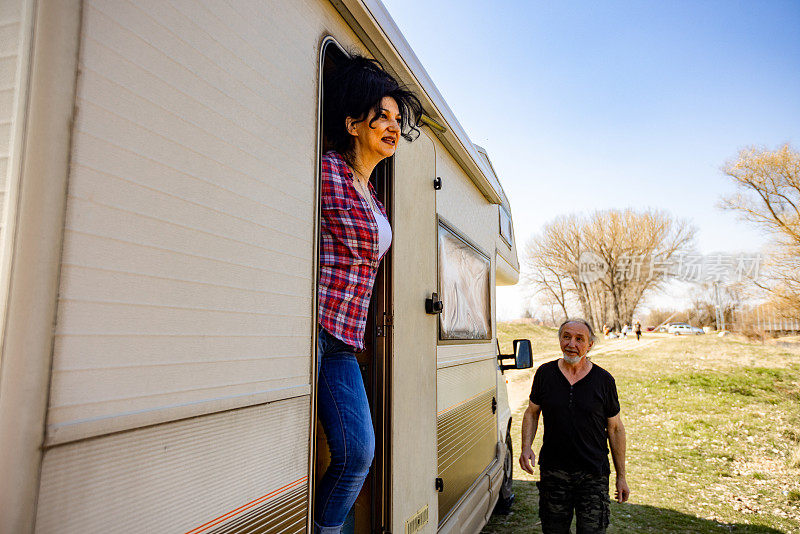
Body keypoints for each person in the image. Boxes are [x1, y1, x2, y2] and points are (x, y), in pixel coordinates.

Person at [315, 55, 422, 534]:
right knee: (353, 452)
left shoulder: (374, 195)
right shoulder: (327, 171)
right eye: (382, 116)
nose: (393, 127)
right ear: (353, 122)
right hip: (314, 331)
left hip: (344, 341)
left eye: (398, 120)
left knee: (359, 453)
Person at [519, 319, 629, 534]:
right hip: (554, 472)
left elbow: (615, 428)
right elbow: (532, 412)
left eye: (580, 339)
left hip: (593, 474)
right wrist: (526, 447)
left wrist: (621, 476)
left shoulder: (604, 380)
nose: (571, 344)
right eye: (566, 337)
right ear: (560, 339)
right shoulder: (545, 374)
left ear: (590, 345)